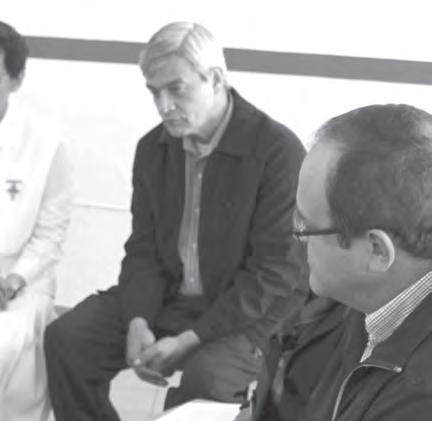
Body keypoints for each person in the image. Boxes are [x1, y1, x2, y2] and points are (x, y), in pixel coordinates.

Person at [44, 21, 308, 420]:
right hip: (173, 296)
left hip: (251, 309)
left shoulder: (277, 151)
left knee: (207, 379)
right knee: (69, 338)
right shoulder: (153, 149)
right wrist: (137, 320)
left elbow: (274, 273)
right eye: (154, 92)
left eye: (176, 89)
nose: (163, 105)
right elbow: (144, 250)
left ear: (215, 79)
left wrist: (188, 340)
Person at [292, 104, 432, 420]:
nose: (297, 238)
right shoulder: (365, 306)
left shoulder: (419, 402)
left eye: (306, 226)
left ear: (377, 251)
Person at [0, 21, 72, 421]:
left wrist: (13, 281)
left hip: (20, 281)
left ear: (17, 78)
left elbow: (49, 234)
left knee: (9, 342)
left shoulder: (45, 143)